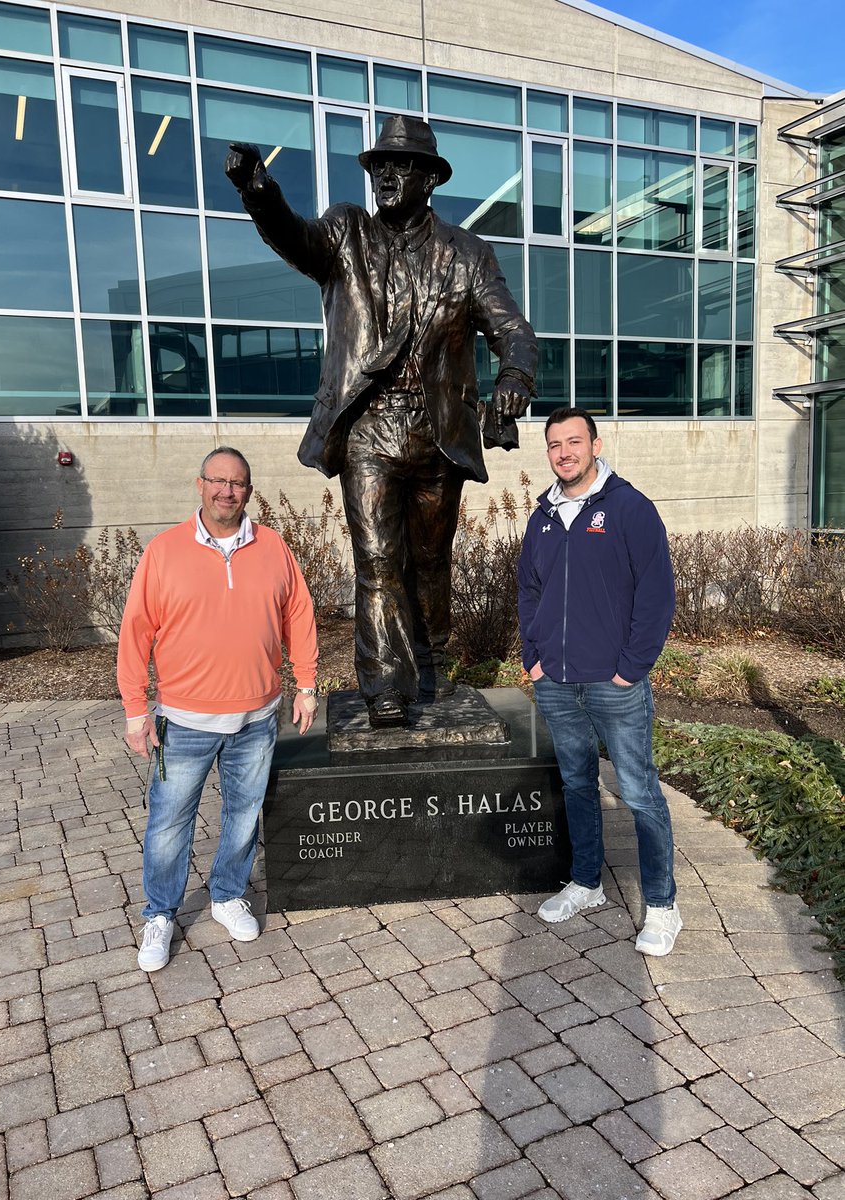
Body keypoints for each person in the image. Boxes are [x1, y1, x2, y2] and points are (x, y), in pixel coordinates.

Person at [224, 116, 537, 729]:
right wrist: (258, 190)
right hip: (369, 426)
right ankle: (385, 687)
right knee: (376, 559)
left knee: (429, 561)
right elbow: (294, 238)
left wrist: (514, 381)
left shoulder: (468, 255)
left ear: (429, 178)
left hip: (438, 435)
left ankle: (429, 660)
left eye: (400, 166)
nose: (386, 176)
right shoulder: (346, 233)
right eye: (378, 168)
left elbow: (513, 332)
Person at [118, 447, 319, 972]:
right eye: (218, 481)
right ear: (200, 484)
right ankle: (160, 914)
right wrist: (135, 710)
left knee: (244, 816)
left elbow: (299, 613)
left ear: (249, 491)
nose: (227, 491)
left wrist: (306, 684)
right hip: (182, 721)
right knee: (168, 824)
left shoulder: (274, 548)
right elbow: (136, 633)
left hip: (256, 718)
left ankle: (228, 895)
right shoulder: (164, 552)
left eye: (238, 483)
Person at [517, 407, 682, 956]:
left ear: (595, 443)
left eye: (573, 441)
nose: (564, 452)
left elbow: (657, 597)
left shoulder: (629, 508)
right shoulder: (542, 516)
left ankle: (661, 906)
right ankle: (586, 883)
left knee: (638, 791)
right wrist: (534, 658)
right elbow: (530, 592)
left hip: (615, 683)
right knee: (578, 785)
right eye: (554, 445)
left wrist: (629, 668)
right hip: (557, 683)